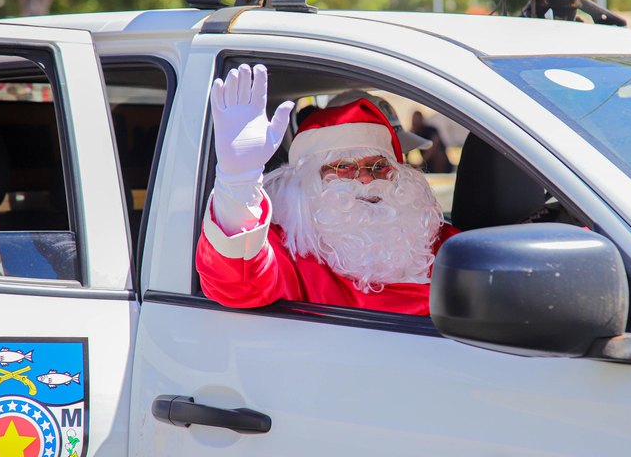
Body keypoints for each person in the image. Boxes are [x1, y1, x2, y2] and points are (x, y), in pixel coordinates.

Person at [195, 64, 458, 315]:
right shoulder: (289, 253)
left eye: (378, 166)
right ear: (308, 182)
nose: (366, 179)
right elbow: (236, 282)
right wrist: (238, 182)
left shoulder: (429, 238)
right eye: (344, 167)